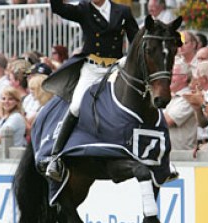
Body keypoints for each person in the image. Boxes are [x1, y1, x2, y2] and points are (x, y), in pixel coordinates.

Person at [46, 0, 139, 181]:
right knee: (76, 106)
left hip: (116, 67)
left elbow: (134, 40)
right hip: (92, 67)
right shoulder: (84, 9)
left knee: (137, 98)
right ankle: (55, 156)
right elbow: (59, 8)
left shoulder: (123, 11)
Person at [164, 58, 197, 150]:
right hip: (170, 153)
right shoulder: (171, 97)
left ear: (184, 77)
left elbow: (167, 121)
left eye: (173, 74)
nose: (169, 77)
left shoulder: (188, 98)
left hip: (183, 156)